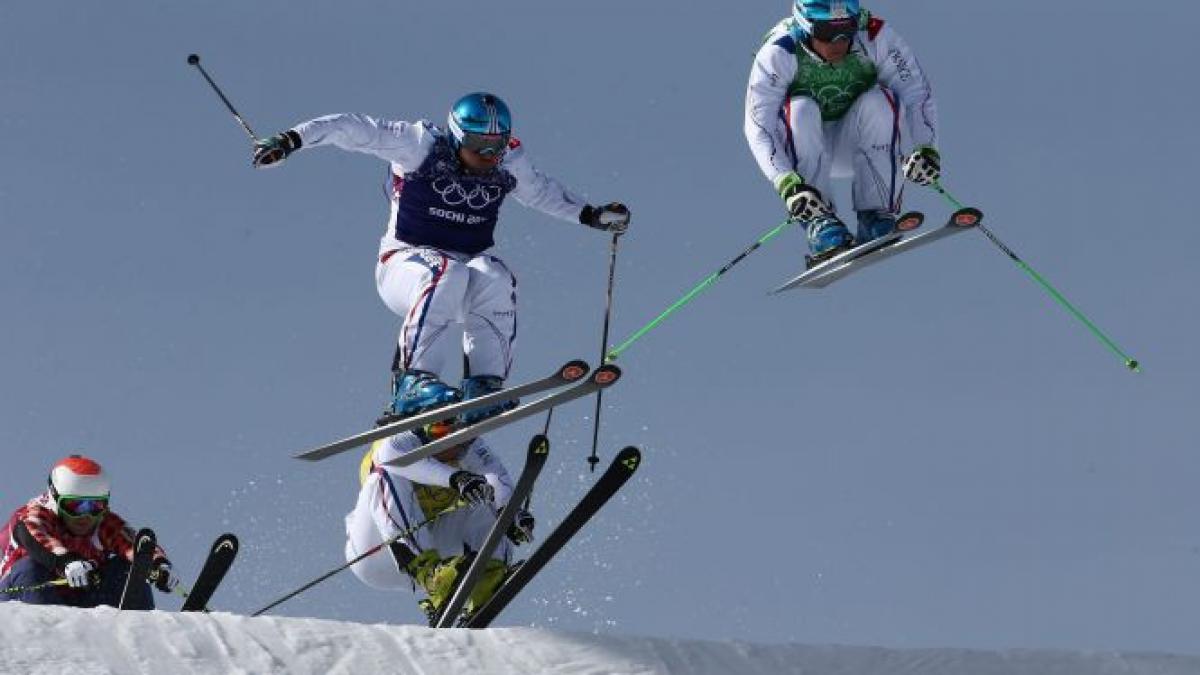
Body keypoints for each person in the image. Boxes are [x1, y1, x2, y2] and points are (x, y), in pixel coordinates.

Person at [252, 92, 631, 423]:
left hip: (461, 270)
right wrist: (292, 140)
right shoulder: (419, 145)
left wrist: (590, 214)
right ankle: (412, 382)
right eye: (479, 147)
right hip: (404, 265)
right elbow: (353, 128)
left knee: (495, 274)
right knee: (446, 271)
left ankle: (484, 386)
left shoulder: (508, 161)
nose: (489, 157)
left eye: (495, 147)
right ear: (456, 137)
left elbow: (540, 192)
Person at [744, 0, 941, 265]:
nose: (837, 42)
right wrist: (789, 186)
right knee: (801, 109)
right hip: (803, 152)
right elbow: (758, 127)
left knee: (881, 102)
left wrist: (926, 149)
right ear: (806, 26)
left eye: (845, 30)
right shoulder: (779, 52)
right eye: (826, 32)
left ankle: (875, 214)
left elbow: (916, 94)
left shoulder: (876, 36)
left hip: (857, 143)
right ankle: (821, 223)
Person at [343, 419, 534, 624]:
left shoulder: (469, 446)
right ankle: (430, 574)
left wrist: (512, 514)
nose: (457, 447)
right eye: (445, 433)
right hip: (377, 552)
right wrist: (456, 478)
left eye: (462, 439)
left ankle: (488, 578)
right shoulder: (396, 441)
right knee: (384, 473)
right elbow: (390, 456)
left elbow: (495, 475)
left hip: (434, 545)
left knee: (485, 497)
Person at [0, 455, 179, 609]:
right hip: (20, 599)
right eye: (74, 506)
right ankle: (48, 637)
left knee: (125, 570)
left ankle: (138, 631)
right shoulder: (36, 514)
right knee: (31, 568)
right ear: (55, 499)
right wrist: (65, 561)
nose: (85, 515)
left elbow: (131, 543)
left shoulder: (102, 522)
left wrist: (156, 564)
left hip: (79, 602)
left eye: (95, 505)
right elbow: (34, 534)